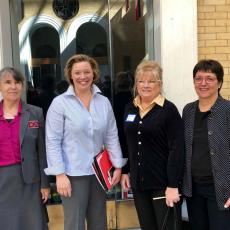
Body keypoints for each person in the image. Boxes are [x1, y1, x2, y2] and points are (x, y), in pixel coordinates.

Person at [44, 54, 126, 230]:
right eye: (78, 72)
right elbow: (52, 141)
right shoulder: (60, 104)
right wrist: (59, 174)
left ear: (94, 73)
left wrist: (118, 166)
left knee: (99, 223)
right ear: (70, 75)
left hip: (99, 174)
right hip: (72, 175)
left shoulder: (103, 102)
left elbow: (111, 135)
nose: (83, 77)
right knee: (75, 224)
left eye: (87, 72)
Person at [121, 60, 184, 230]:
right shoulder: (130, 108)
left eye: (151, 81)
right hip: (139, 183)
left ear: (160, 84)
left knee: (167, 227)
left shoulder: (169, 110)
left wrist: (173, 185)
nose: (145, 85)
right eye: (141, 81)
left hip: (163, 184)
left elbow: (177, 149)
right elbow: (126, 142)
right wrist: (126, 170)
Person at [182, 59, 230, 230]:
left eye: (209, 78)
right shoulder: (188, 110)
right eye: (198, 78)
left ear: (219, 83)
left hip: (221, 190)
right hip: (193, 189)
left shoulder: (227, 110)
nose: (203, 83)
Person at [0, 67, 50, 230]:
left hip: (31, 181)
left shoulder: (35, 113)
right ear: (0, 86)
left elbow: (42, 151)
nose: (13, 87)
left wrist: (45, 184)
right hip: (3, 180)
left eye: (17, 82)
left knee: (33, 223)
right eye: (8, 82)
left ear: (22, 86)